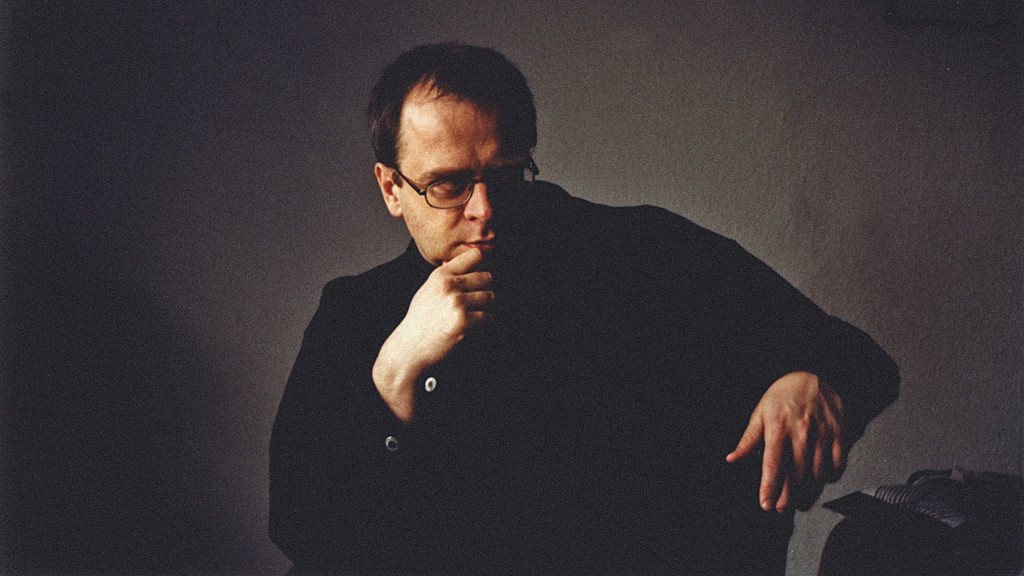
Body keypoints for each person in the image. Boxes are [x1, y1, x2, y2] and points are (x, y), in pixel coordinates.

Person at [269, 42, 900, 575]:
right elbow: (300, 529)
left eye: (505, 176)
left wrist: (811, 380)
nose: (484, 211)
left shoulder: (645, 251)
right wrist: (394, 373)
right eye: (448, 185)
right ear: (391, 189)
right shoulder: (355, 314)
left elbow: (862, 361)